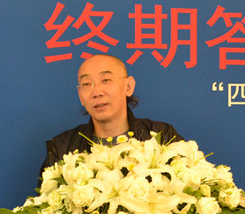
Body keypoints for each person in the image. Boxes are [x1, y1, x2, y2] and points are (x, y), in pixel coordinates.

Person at [42, 54, 182, 169]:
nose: (97, 92)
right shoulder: (63, 148)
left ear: (128, 86)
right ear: (80, 96)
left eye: (106, 80)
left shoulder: (163, 136)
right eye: (86, 84)